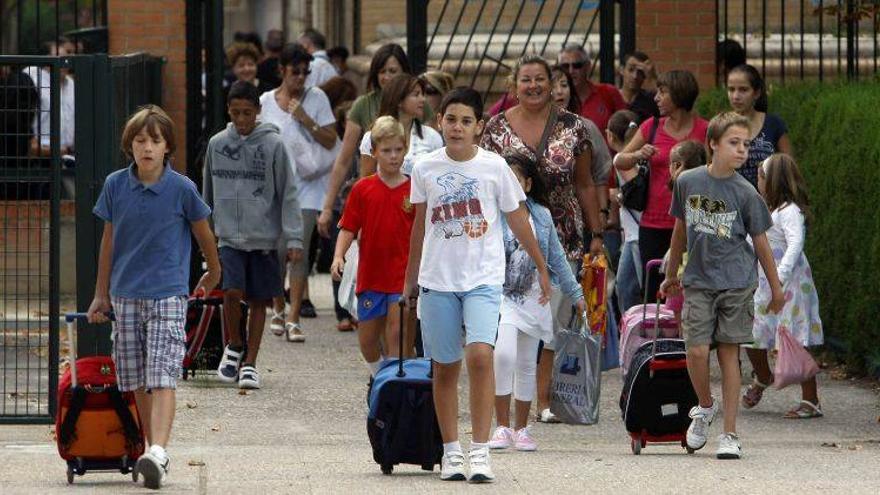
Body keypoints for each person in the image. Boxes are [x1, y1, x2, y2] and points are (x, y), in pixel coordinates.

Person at [403, 87, 551, 483]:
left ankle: (481, 450)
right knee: (445, 366)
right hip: (437, 279)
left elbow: (518, 217)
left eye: (466, 121)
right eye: (451, 119)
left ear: (479, 127)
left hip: (483, 278)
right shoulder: (425, 168)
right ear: (440, 123)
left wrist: (541, 264)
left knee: (481, 356)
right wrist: (410, 280)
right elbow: (419, 225)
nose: (457, 127)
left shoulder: (495, 168)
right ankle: (451, 451)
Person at [86, 105, 221, 489]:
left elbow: (203, 233)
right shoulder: (115, 185)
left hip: (168, 293)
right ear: (130, 146)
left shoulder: (182, 188)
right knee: (134, 377)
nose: (147, 147)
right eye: (140, 140)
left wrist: (214, 270)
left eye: (155, 141)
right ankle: (150, 449)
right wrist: (101, 294)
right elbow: (108, 242)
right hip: (125, 294)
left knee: (162, 373)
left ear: (167, 148)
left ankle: (158, 450)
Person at [480, 54, 603, 424]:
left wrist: (596, 234)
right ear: (513, 85)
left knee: (551, 322)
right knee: (508, 321)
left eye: (540, 80)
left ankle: (544, 401)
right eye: (525, 80)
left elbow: (584, 184)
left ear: (552, 84)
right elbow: (485, 184)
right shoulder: (495, 129)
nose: (533, 86)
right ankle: (505, 402)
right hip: (507, 238)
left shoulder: (575, 127)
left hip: (562, 233)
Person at [661, 111, 784, 461]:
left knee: (730, 353)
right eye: (734, 143)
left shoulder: (745, 193)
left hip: (736, 283)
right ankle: (705, 406)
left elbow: (761, 242)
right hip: (698, 281)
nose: (742, 150)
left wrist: (775, 288)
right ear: (712, 144)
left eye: (746, 144)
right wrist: (672, 272)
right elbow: (681, 229)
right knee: (696, 350)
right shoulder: (688, 182)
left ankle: (730, 434)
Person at [204, 81, 303, 389]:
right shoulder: (217, 144)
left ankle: (251, 362)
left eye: (247, 113)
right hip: (229, 236)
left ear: (258, 111)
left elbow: (288, 192)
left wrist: (294, 237)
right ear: (228, 112)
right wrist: (206, 234)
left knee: (260, 299)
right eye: (236, 113)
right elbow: (208, 190)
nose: (242, 120)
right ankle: (234, 343)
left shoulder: (274, 145)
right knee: (231, 291)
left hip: (263, 237)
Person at [489, 154, 585, 453]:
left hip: (535, 297)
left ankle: (522, 428)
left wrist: (576, 293)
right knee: (503, 355)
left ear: (528, 184)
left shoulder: (541, 215)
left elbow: (556, 257)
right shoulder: (492, 213)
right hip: (502, 295)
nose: (511, 185)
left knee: (528, 363)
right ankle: (501, 426)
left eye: (517, 180)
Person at [259, 44, 338, 343]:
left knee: (299, 250)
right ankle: (278, 306)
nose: (301, 78)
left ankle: (293, 317)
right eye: (295, 72)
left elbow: (331, 140)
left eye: (305, 72)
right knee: (278, 251)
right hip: (275, 188)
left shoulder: (316, 98)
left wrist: (306, 118)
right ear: (282, 71)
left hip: (306, 187)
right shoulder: (265, 102)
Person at [318, 44, 434, 237]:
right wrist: (328, 207)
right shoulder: (363, 105)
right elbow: (344, 159)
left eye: (393, 71)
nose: (387, 77)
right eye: (382, 71)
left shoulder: (419, 107)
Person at [613, 69, 709, 303]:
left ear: (679, 94)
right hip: (653, 223)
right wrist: (638, 154)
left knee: (690, 290)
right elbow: (619, 161)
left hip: (692, 222)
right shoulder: (651, 127)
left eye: (662, 92)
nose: (656, 98)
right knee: (655, 291)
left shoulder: (704, 129)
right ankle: (657, 338)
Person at [743, 153, 824, 419]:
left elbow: (795, 244)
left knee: (795, 338)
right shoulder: (765, 210)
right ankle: (763, 376)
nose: (758, 182)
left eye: (761, 177)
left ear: (772, 180)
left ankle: (811, 399)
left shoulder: (789, 211)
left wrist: (781, 275)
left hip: (790, 286)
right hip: (765, 284)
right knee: (751, 332)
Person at [331, 116, 414, 376]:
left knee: (397, 334)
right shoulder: (362, 189)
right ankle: (379, 377)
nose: (393, 156)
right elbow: (348, 227)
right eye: (386, 150)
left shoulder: (414, 189)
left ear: (406, 149)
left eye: (398, 150)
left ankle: (392, 387)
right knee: (367, 341)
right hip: (371, 276)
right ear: (375, 151)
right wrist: (338, 256)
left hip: (402, 276)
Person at [358, 74, 443, 176]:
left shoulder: (432, 136)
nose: (423, 99)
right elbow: (366, 180)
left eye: (422, 94)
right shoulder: (371, 137)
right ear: (399, 100)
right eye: (416, 95)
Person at [726, 64, 792, 188]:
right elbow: (710, 170)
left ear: (756, 93)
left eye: (743, 90)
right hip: (731, 202)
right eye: (731, 89)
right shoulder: (720, 126)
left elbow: (788, 168)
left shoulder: (774, 124)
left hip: (767, 202)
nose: (736, 96)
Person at [605, 110, 642, 312]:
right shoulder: (637, 156)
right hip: (631, 233)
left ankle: (638, 333)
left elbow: (636, 198)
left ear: (610, 135)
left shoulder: (622, 160)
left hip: (637, 233)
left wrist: (617, 197)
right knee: (625, 285)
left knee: (633, 287)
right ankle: (630, 330)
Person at [557, 43, 626, 141]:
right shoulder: (554, 100)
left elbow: (627, 130)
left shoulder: (609, 93)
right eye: (565, 66)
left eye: (577, 65)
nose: (571, 71)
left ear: (588, 66)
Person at [223, 42, 273, 108]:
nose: (247, 69)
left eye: (250, 64)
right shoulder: (225, 93)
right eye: (241, 65)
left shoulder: (269, 91)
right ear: (233, 69)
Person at [618, 51, 659, 124]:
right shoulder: (612, 97)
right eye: (630, 70)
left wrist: (652, 77)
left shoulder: (652, 100)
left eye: (640, 72)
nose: (635, 76)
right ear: (621, 70)